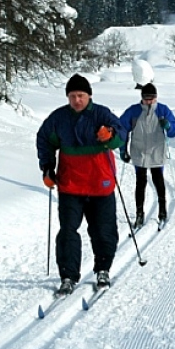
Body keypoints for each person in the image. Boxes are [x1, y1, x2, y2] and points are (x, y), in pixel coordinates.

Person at [36, 74, 127, 296]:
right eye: (73, 96)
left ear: (89, 96)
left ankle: (103, 269)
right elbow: (44, 140)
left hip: (100, 184)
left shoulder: (101, 114)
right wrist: (48, 168)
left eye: (81, 95)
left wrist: (111, 135)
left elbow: (121, 134)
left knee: (103, 231)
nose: (77, 100)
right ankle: (68, 276)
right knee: (67, 232)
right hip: (71, 186)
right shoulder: (58, 119)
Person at [119, 82, 175, 229]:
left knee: (158, 181)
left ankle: (162, 211)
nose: (149, 101)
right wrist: (123, 150)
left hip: (157, 152)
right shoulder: (133, 111)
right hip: (139, 152)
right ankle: (139, 213)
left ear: (156, 97)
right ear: (142, 98)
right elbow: (121, 129)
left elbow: (174, 129)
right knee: (140, 183)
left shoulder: (162, 110)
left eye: (152, 98)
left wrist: (169, 126)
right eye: (146, 98)